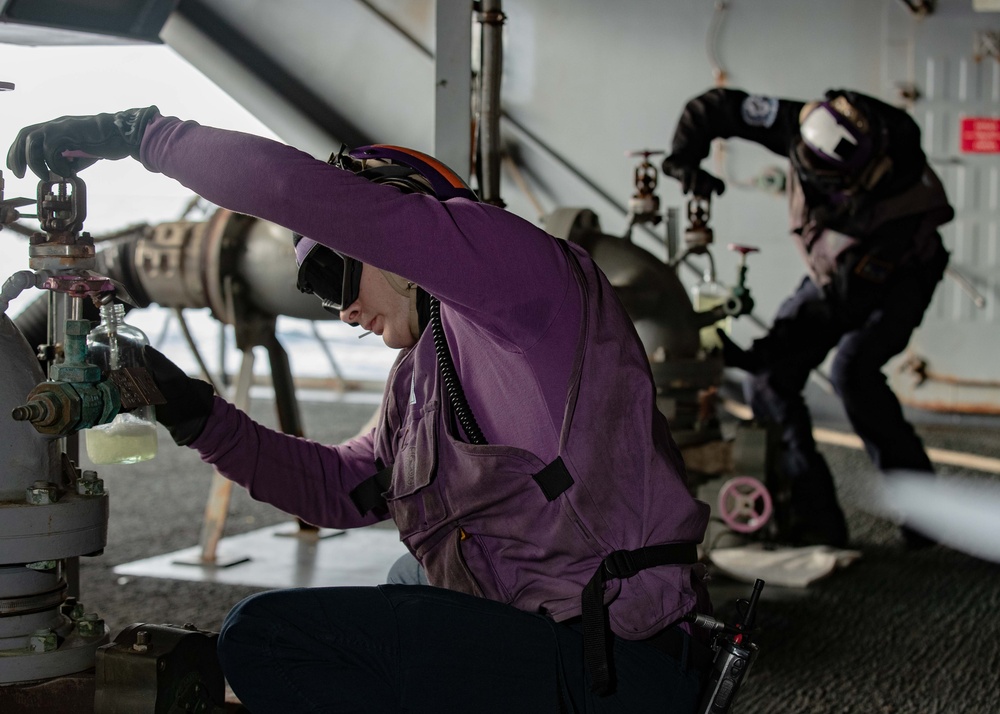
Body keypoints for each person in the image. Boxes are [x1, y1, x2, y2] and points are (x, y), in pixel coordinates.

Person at [8, 108, 713, 712]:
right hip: (549, 634)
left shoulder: (527, 287)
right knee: (409, 578)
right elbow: (342, 489)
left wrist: (143, 135)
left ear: (401, 239)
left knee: (267, 636)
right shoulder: (423, 376)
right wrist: (191, 410)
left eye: (333, 272)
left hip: (615, 659)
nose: (340, 308)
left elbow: (300, 193)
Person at [661, 88, 954, 548]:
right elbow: (714, 107)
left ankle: (927, 516)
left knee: (853, 374)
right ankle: (817, 521)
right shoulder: (802, 124)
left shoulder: (901, 200)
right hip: (834, 265)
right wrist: (684, 158)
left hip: (899, 277)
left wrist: (762, 351)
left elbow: (840, 307)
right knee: (772, 382)